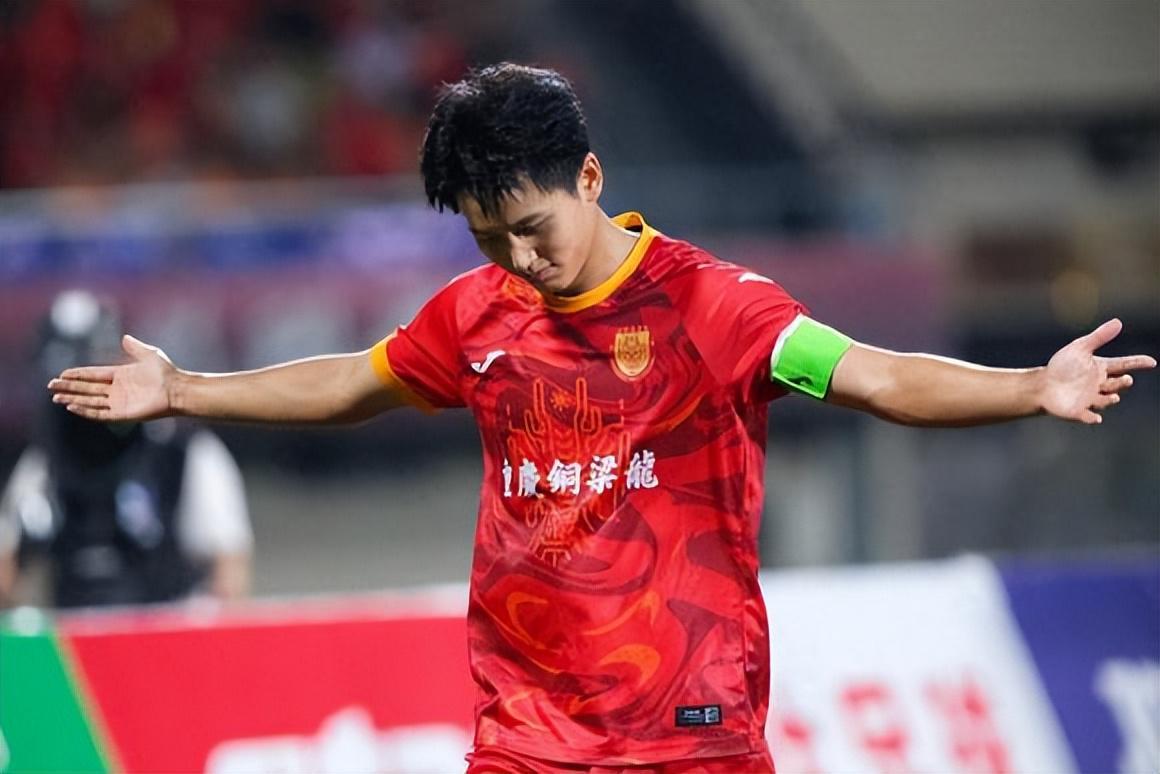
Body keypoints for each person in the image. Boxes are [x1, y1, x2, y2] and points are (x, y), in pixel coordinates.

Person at [47, 64, 1154, 773]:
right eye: (486, 237)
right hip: (524, 732)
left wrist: (1028, 387)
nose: (516, 258)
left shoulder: (715, 305)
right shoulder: (475, 312)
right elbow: (353, 381)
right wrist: (185, 390)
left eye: (530, 228)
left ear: (588, 176)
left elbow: (875, 375)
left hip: (689, 729)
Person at [2, 290, 252, 609]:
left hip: (164, 626)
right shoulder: (44, 462)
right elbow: (6, 572)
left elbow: (230, 572)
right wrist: (33, 626)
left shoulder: (182, 451)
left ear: (121, 362)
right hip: (75, 632)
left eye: (89, 373)